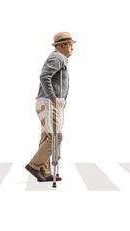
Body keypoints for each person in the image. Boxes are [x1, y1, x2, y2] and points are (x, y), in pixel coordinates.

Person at [25, 32, 76, 182]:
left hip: (47, 102)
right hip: (48, 102)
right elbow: (44, 76)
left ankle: (44, 171)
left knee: (47, 136)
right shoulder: (57, 57)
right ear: (61, 46)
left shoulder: (60, 58)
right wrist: (53, 98)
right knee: (55, 137)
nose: (73, 48)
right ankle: (34, 165)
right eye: (70, 44)